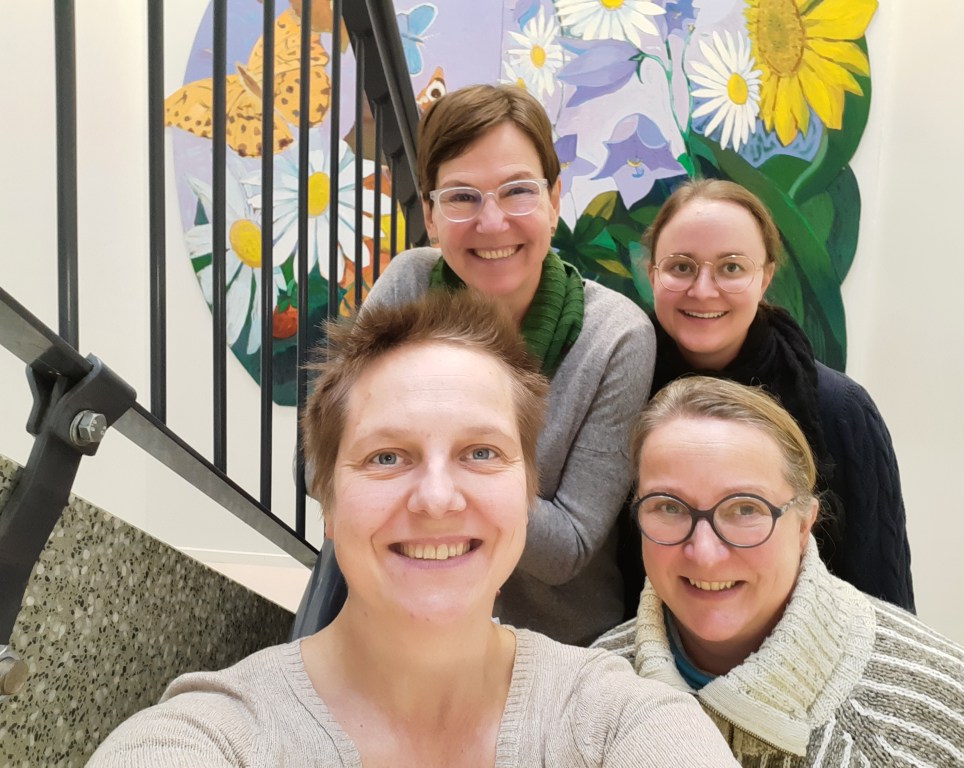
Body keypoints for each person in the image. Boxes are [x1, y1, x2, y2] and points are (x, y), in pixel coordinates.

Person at [88, 292, 738, 767]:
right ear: (329, 504)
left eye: (480, 452)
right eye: (386, 457)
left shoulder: (618, 721)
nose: (435, 498)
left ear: (526, 492)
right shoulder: (215, 738)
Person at [293, 83, 656, 645]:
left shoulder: (616, 337)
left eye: (518, 191)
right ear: (431, 214)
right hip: (399, 624)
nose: (492, 222)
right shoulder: (408, 284)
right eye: (462, 197)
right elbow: (320, 461)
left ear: (554, 200)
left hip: (548, 647)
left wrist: (415, 467)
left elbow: (569, 548)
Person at [594, 376, 964, 765]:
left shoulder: (941, 708)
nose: (705, 554)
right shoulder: (592, 692)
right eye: (668, 507)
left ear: (803, 525)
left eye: (745, 509)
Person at [631, 178, 913, 611]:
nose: (703, 290)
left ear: (764, 277)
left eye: (731, 268)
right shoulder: (618, 393)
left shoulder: (840, 410)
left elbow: (884, 602)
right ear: (652, 274)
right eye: (681, 267)